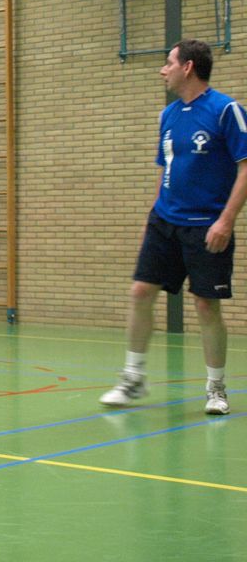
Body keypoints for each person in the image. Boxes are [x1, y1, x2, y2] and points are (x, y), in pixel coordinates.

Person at [100, 40, 247, 415]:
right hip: (165, 222)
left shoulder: (225, 110)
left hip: (206, 226)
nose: (163, 70)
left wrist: (226, 220)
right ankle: (133, 378)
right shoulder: (168, 115)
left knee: (206, 305)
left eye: (169, 62)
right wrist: (152, 216)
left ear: (188, 67)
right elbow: (167, 169)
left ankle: (216, 388)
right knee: (140, 292)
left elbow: (245, 168)